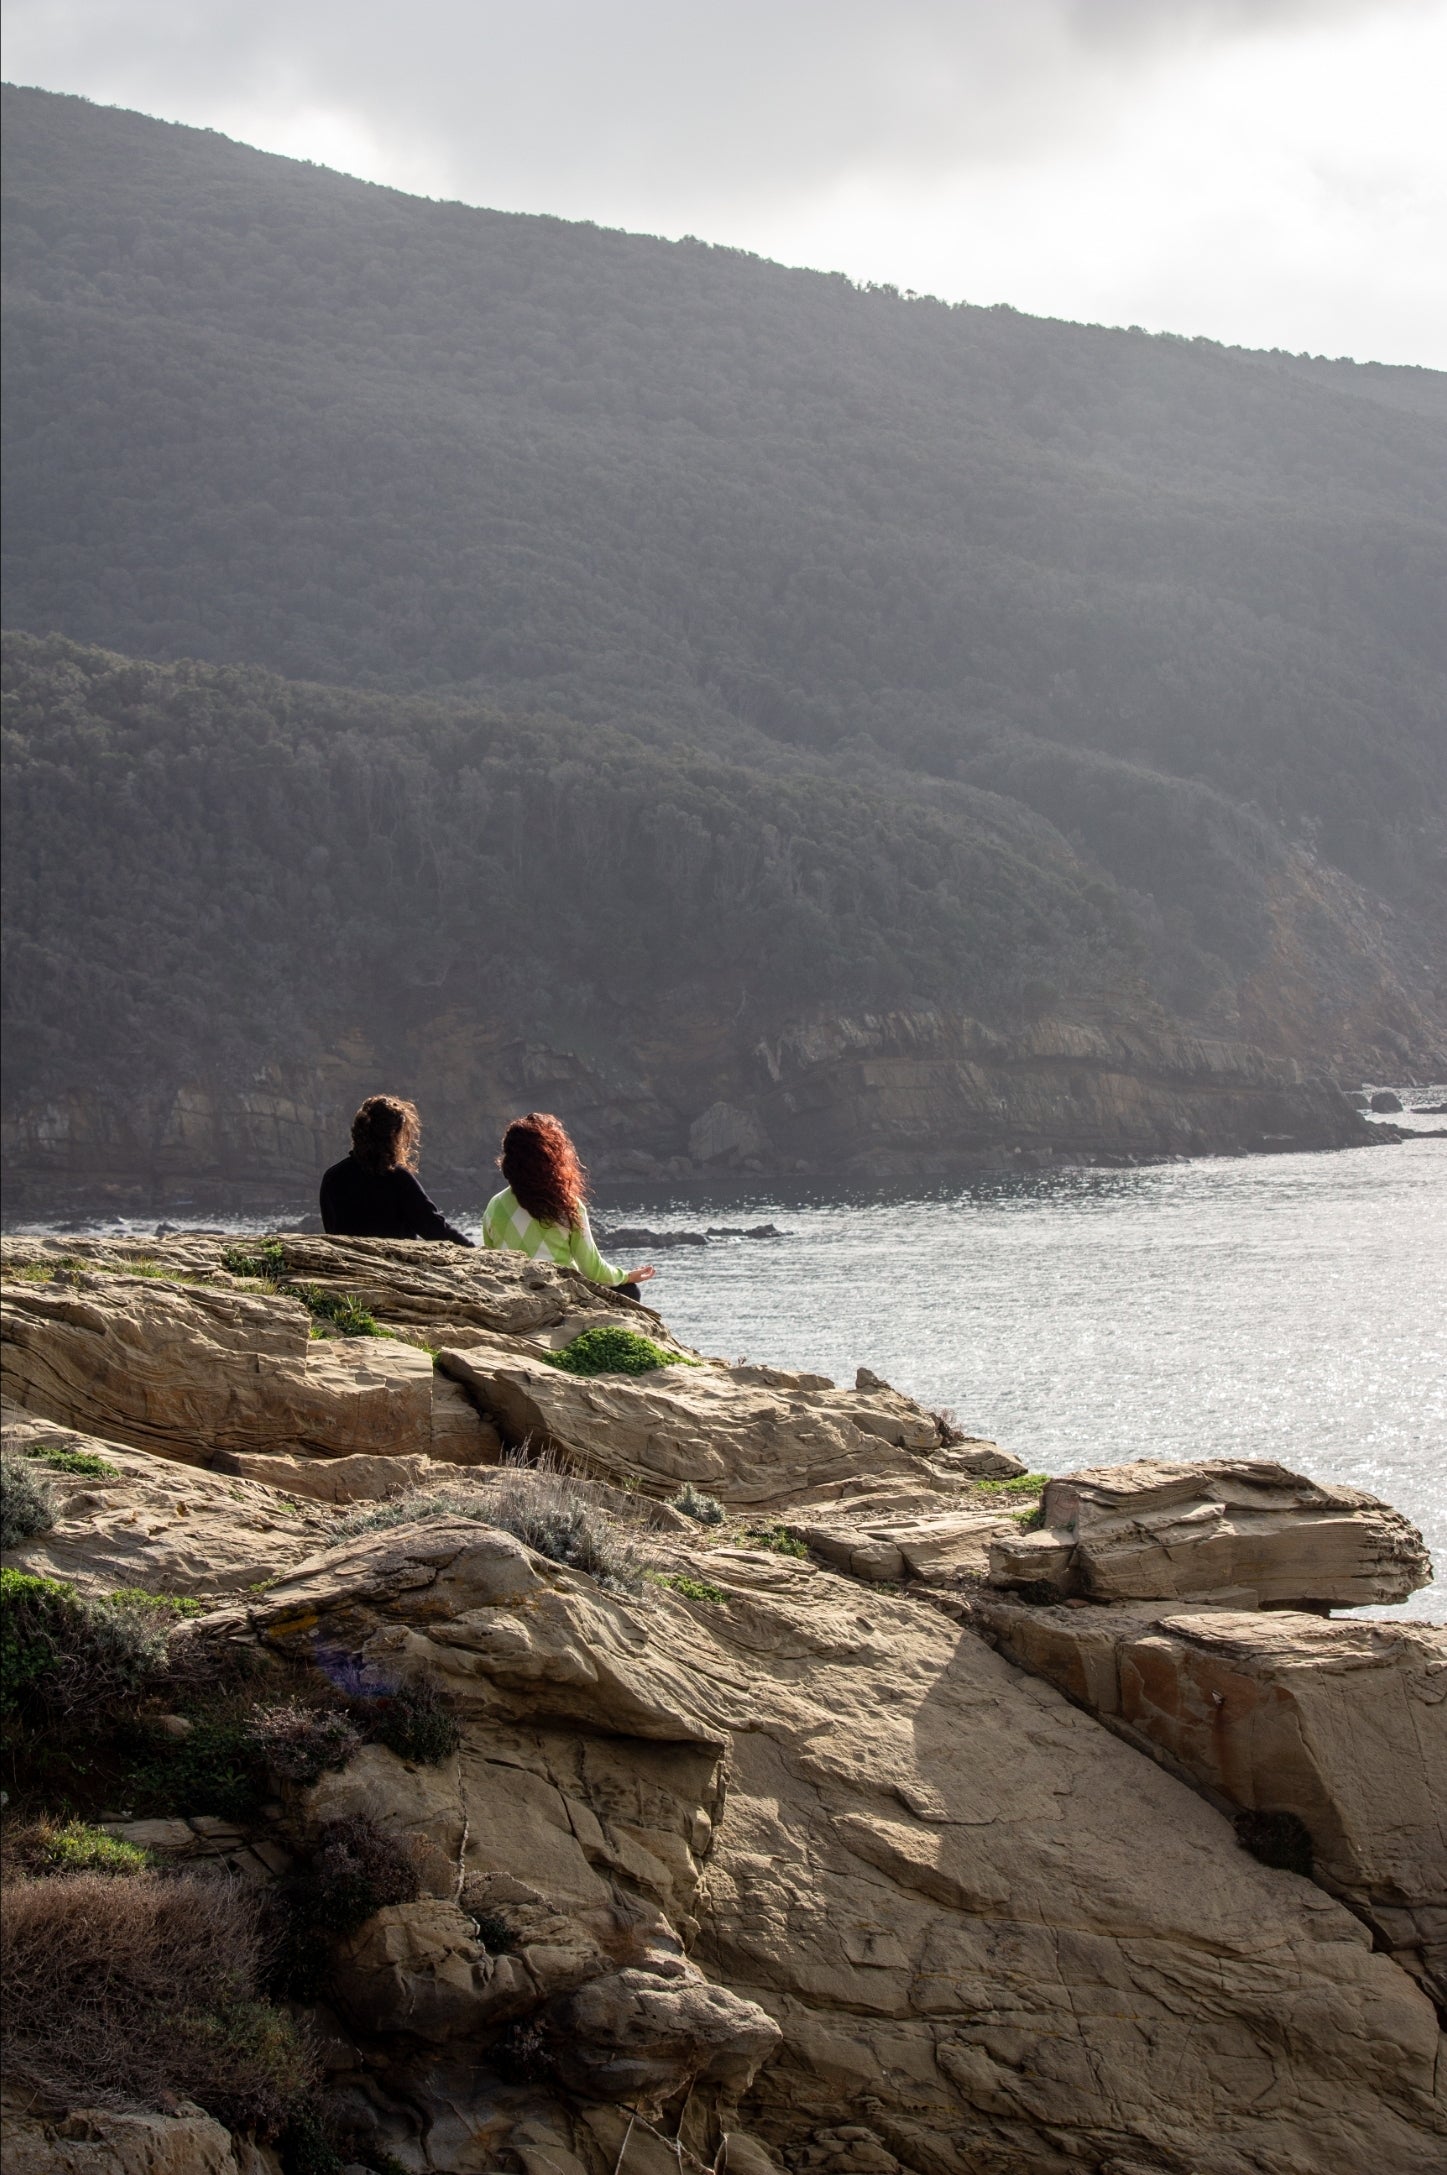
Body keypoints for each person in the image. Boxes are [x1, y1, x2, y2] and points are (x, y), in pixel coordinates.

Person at [481, 1112, 654, 1299]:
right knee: (629, 1291)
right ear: (552, 1159)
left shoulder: (495, 1205)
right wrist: (627, 1276)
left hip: (511, 1295)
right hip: (557, 1295)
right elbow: (593, 1269)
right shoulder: (566, 1205)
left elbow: (493, 1259)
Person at [320, 1095, 474, 1244]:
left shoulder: (333, 1177)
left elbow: (332, 1232)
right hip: (393, 1267)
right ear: (394, 1135)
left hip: (347, 1267)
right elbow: (434, 1228)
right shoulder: (397, 1178)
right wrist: (475, 1252)